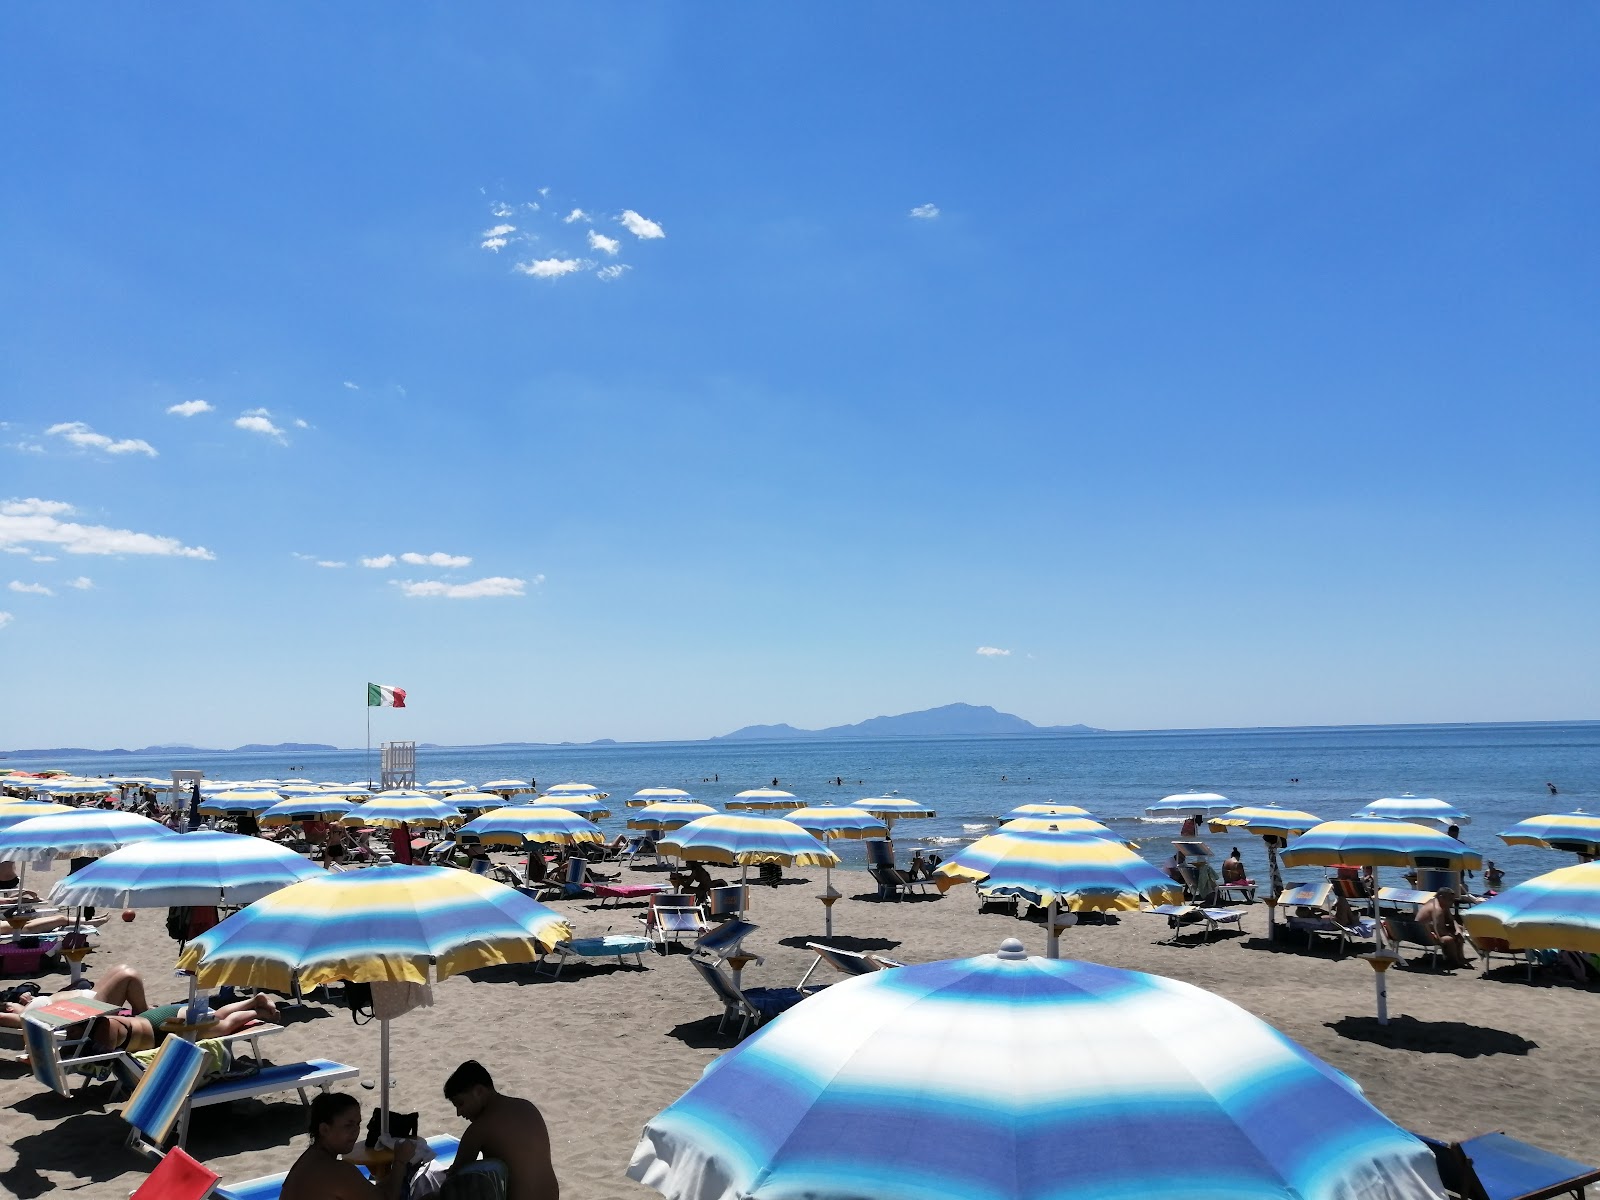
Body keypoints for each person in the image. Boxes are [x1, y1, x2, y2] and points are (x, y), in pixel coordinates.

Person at [443, 1059, 559, 1200]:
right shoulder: (527, 1107)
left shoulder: (478, 1130)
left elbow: (454, 1179)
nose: (459, 1113)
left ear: (479, 1091)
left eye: (460, 1104)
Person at [281, 1091, 418, 1200]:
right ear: (324, 1130)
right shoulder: (337, 1170)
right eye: (348, 1125)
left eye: (358, 1124)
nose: (355, 1131)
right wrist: (400, 1162)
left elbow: (365, 1191)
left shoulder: (306, 1161)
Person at [1416, 888, 1471, 969]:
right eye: (1450, 899)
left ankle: (1460, 958)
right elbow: (1441, 931)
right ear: (1441, 897)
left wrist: (1457, 930)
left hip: (1419, 932)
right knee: (1449, 939)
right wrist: (1454, 935)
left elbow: (1452, 920)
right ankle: (1455, 961)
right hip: (1425, 936)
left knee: (1458, 930)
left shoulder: (1439, 904)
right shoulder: (1438, 910)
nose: (1452, 902)